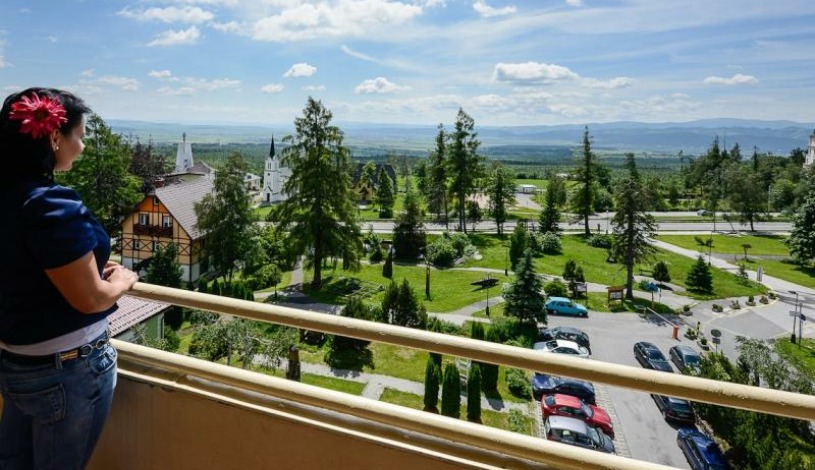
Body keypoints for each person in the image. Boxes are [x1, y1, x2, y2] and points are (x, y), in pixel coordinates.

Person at [0, 88, 139, 469]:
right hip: (67, 369)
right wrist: (123, 280)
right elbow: (92, 299)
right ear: (54, 137)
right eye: (80, 135)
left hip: (15, 363)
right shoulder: (51, 204)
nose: (83, 146)